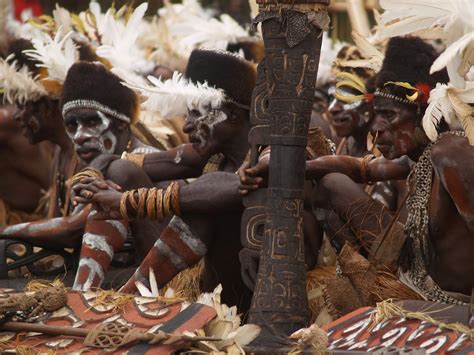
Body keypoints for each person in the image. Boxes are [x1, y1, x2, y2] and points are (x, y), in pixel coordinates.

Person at [239, 36, 473, 303]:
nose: (376, 128)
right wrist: (285, 165)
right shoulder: (418, 156)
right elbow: (362, 168)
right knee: (331, 184)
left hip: (452, 305)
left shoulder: (450, 152)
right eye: (377, 114)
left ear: (423, 112)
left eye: (389, 115)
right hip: (415, 288)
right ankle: (369, 281)